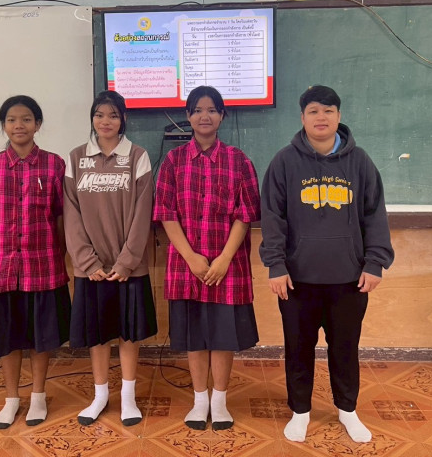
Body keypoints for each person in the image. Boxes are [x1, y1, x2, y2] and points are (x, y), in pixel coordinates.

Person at [259, 85, 394, 444]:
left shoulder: (360, 161)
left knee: (345, 348)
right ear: (302, 117)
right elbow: (272, 218)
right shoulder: (284, 162)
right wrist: (275, 265)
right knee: (298, 348)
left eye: (329, 110)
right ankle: (300, 412)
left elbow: (374, 214)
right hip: (296, 280)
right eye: (314, 111)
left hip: (349, 279)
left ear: (339, 116)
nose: (321, 117)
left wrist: (375, 263)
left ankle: (347, 410)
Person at [154, 85, 260, 431]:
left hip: (227, 266)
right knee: (195, 336)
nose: (205, 116)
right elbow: (166, 213)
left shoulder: (239, 160)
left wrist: (224, 259)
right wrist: (191, 258)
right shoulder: (173, 161)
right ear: (188, 116)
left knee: (222, 337)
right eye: (198, 110)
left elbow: (246, 214)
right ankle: (200, 400)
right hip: (187, 267)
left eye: (212, 110)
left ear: (222, 116)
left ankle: (220, 401)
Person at [0, 95, 71, 429]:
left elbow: (62, 216)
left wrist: (60, 252)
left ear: (37, 124)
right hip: (2, 267)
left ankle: (38, 395)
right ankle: (11, 399)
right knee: (7, 337)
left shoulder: (54, 165)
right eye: (11, 120)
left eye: (26, 119)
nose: (18, 125)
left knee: (41, 337)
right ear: (4, 126)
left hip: (43, 264)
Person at [64, 91, 157, 427]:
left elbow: (143, 213)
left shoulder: (137, 156)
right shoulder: (76, 158)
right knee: (98, 335)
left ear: (124, 119)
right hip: (92, 269)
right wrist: (88, 263)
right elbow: (71, 215)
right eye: (99, 115)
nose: (106, 121)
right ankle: (100, 395)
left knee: (128, 334)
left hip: (128, 267)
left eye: (113, 115)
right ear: (92, 118)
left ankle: (128, 398)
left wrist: (126, 262)